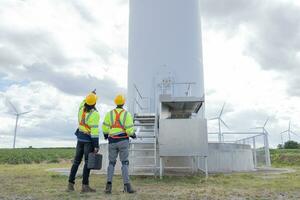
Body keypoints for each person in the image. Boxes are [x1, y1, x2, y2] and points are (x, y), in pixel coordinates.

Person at [102, 94, 136, 194]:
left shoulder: (109, 114)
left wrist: (106, 135)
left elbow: (104, 127)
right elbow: (130, 130)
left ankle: (108, 187)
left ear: (115, 102)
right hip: (123, 141)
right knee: (124, 162)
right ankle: (127, 187)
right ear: (123, 102)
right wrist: (133, 135)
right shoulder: (127, 114)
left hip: (112, 141)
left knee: (111, 163)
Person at [67, 90, 100, 193]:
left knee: (76, 162)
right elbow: (94, 132)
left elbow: (84, 100)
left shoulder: (81, 107)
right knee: (87, 163)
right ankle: (85, 186)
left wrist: (91, 94)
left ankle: (70, 185)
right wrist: (96, 145)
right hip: (88, 141)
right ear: (94, 103)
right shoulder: (95, 114)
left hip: (80, 138)